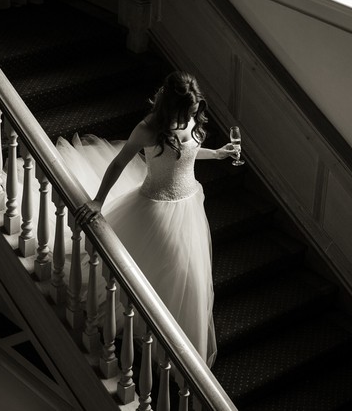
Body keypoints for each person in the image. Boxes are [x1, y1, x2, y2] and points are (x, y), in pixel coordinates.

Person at [72, 71, 236, 367]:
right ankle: (153, 336)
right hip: (156, 210)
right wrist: (98, 200)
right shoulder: (148, 128)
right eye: (189, 109)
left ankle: (180, 349)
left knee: (188, 278)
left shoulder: (193, 116)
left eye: (196, 107)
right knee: (166, 272)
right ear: (172, 106)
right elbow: (119, 162)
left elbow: (186, 154)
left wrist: (218, 154)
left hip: (189, 207)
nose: (195, 112)